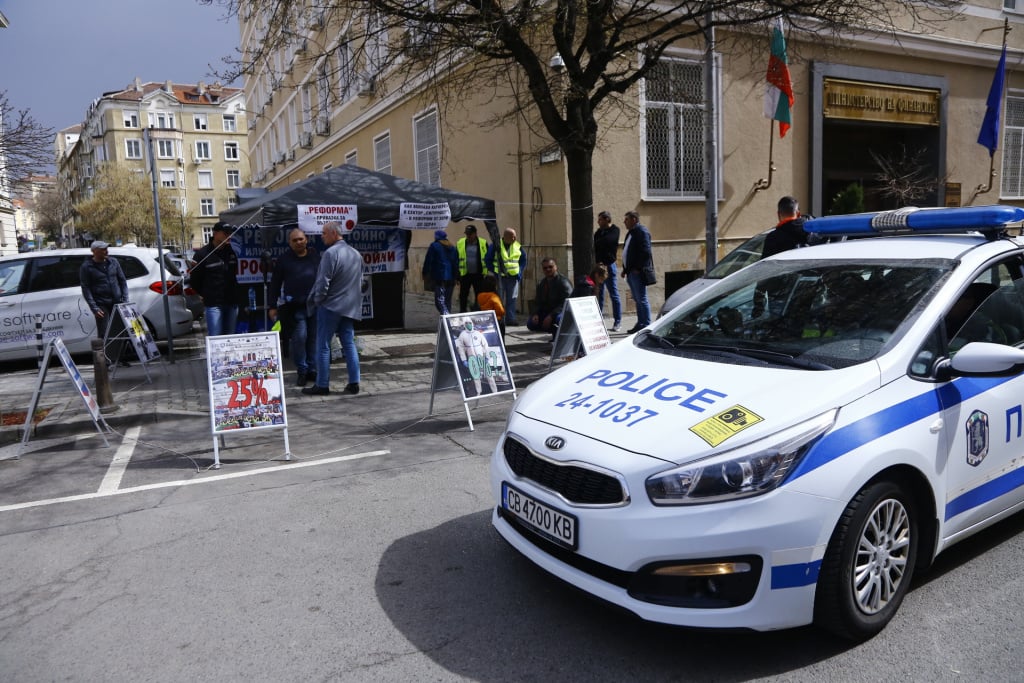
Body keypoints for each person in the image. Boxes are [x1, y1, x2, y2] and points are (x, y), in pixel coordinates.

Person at [303, 221, 363, 396]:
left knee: (322, 345)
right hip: (348, 307)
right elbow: (359, 282)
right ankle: (354, 383)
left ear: (332, 233)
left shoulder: (330, 254)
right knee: (349, 344)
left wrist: (318, 300)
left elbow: (323, 283)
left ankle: (322, 385)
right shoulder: (355, 253)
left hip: (330, 306)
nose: (321, 237)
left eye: (323, 233)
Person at [268, 228, 321, 387]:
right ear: (290, 243)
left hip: (315, 306)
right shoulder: (284, 260)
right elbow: (275, 283)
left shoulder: (314, 257)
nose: (298, 242)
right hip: (295, 307)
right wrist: (272, 306)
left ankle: (312, 369)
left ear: (306, 240)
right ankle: (302, 370)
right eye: (295, 240)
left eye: (301, 239)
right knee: (300, 338)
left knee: (313, 338)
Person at [79, 240, 130, 365]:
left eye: (106, 249)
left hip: (117, 301)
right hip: (101, 303)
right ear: (94, 251)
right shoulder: (87, 267)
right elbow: (85, 288)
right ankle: (104, 361)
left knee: (119, 330)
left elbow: (122, 281)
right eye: (103, 249)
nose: (106, 251)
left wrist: (125, 298)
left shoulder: (114, 262)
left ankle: (120, 358)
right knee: (104, 332)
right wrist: (94, 307)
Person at [191, 221, 241, 336]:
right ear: (215, 233)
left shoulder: (233, 251)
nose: (229, 236)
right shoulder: (202, 254)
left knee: (231, 337)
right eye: (225, 233)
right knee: (216, 338)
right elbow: (194, 280)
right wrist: (205, 294)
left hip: (232, 302)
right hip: (214, 304)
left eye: (230, 233)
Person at [486, 227, 527, 326]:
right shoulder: (496, 245)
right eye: (513, 236)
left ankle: (511, 319)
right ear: (505, 237)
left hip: (513, 278)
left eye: (515, 236)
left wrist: (519, 272)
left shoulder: (518, 246)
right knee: (499, 299)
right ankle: (499, 319)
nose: (515, 238)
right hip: (500, 278)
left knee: (512, 299)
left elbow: (523, 260)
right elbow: (488, 259)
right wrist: (495, 272)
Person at [621, 210, 653, 333]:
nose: (624, 222)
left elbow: (646, 252)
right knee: (637, 299)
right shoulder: (631, 233)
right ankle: (640, 323)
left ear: (634, 219)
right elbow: (629, 252)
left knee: (642, 298)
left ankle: (646, 325)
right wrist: (625, 269)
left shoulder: (642, 232)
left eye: (626, 219)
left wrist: (637, 268)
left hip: (637, 273)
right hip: (630, 272)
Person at [527, 257, 572, 337]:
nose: (548, 269)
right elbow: (538, 302)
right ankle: (554, 330)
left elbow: (567, 303)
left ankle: (562, 336)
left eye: (550, 267)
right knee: (531, 323)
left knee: (560, 320)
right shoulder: (542, 283)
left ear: (556, 267)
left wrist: (551, 315)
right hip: (547, 312)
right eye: (545, 268)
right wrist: (535, 314)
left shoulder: (563, 282)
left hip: (561, 312)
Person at [594, 211, 622, 331]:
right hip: (599, 266)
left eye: (600, 220)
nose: (598, 222)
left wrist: (599, 241)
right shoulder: (599, 232)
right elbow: (595, 243)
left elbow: (609, 241)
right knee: (599, 294)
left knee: (613, 294)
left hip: (609, 266)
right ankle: (598, 321)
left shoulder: (614, 230)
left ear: (606, 219)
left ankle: (618, 321)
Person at [455, 319, 498, 397]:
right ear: (464, 324)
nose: (468, 324)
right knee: (476, 376)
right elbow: (460, 348)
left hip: (481, 356)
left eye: (470, 323)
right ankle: (478, 392)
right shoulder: (462, 335)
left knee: (489, 374)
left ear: (472, 323)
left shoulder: (478, 333)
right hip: (472, 359)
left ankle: (495, 391)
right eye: (467, 323)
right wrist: (464, 360)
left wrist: (486, 356)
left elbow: (485, 345)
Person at [456, 224, 490, 313]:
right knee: (463, 295)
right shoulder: (460, 243)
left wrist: (487, 273)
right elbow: (456, 258)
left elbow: (488, 257)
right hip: (465, 274)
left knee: (479, 294)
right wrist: (457, 275)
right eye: (467, 234)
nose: (468, 236)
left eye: (470, 234)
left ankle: (478, 310)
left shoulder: (483, 243)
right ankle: (462, 311)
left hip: (478, 274)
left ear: (475, 234)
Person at [423, 229, 458, 315]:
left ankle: (447, 317)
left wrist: (425, 273)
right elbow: (456, 263)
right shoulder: (452, 247)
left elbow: (428, 260)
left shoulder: (434, 246)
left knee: (439, 301)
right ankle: (446, 324)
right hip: (451, 278)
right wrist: (456, 277)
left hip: (440, 277)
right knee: (447, 301)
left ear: (436, 237)